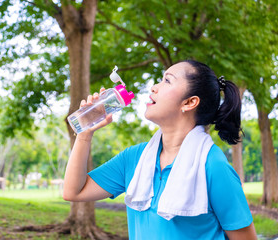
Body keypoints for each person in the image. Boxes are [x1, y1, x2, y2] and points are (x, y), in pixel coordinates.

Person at [63, 60, 257, 240]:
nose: (153, 87)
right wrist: (84, 135)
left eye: (167, 80)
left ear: (190, 102)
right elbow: (74, 192)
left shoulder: (212, 166)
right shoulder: (135, 158)